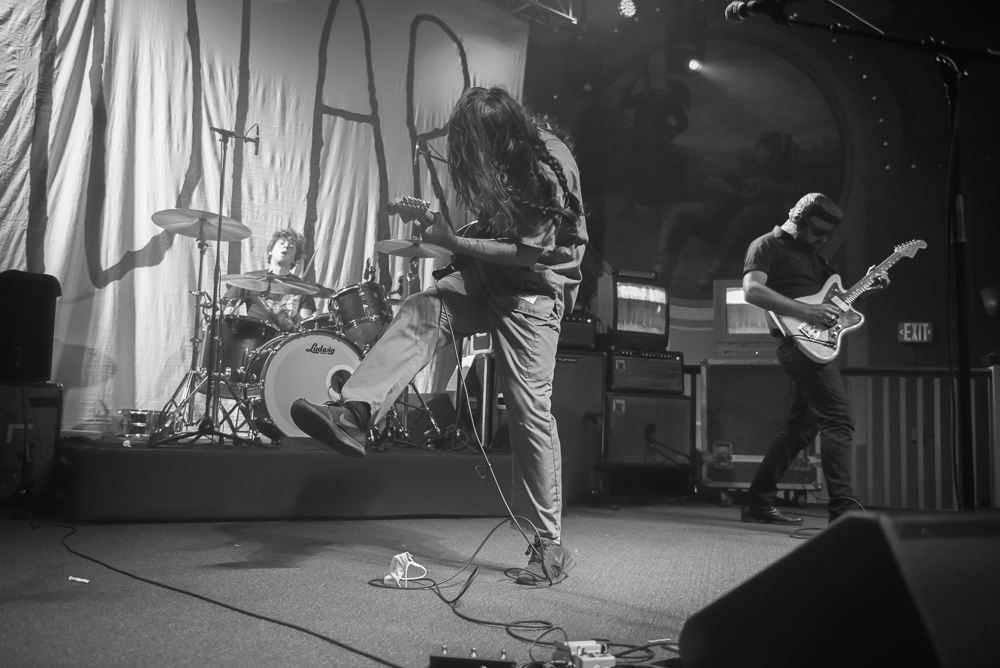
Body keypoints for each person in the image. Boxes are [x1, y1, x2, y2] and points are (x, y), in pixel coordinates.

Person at [289, 86, 587, 585]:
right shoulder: (505, 157)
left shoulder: (547, 164)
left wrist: (448, 239)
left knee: (527, 406)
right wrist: (445, 227)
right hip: (488, 276)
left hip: (535, 289)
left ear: (502, 136)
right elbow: (498, 229)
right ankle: (356, 413)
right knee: (423, 308)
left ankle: (548, 546)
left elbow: (525, 252)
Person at [740, 193, 886, 525]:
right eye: (817, 231)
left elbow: (834, 305)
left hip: (817, 344)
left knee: (800, 430)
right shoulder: (766, 245)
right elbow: (752, 290)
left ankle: (757, 503)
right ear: (798, 219)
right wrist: (807, 311)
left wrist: (869, 288)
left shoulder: (814, 258)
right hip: (795, 342)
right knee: (839, 420)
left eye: (826, 234)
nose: (822, 239)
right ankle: (843, 513)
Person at [223, 228, 315, 332]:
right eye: (282, 243)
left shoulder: (301, 288)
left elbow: (308, 328)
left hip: (287, 344)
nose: (286, 247)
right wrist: (228, 311)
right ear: (270, 250)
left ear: (295, 258)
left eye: (291, 247)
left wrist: (295, 316)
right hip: (254, 341)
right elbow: (225, 306)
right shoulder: (250, 279)